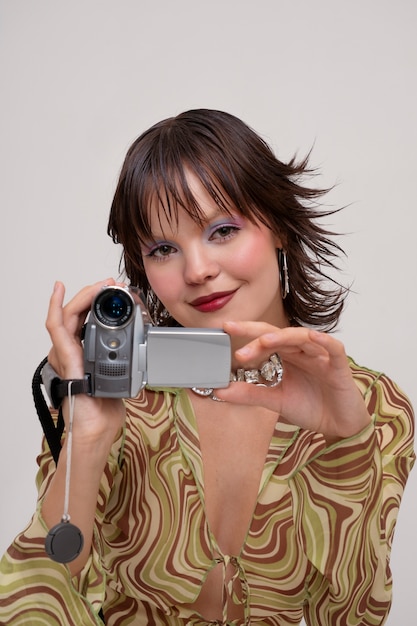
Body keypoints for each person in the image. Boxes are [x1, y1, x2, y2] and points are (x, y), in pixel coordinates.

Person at [0, 109, 414, 626]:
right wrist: (87, 437)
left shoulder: (375, 405)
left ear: (280, 227)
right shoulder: (121, 400)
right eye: (164, 248)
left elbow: (354, 615)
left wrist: (347, 448)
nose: (197, 270)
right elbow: (32, 603)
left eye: (222, 230)